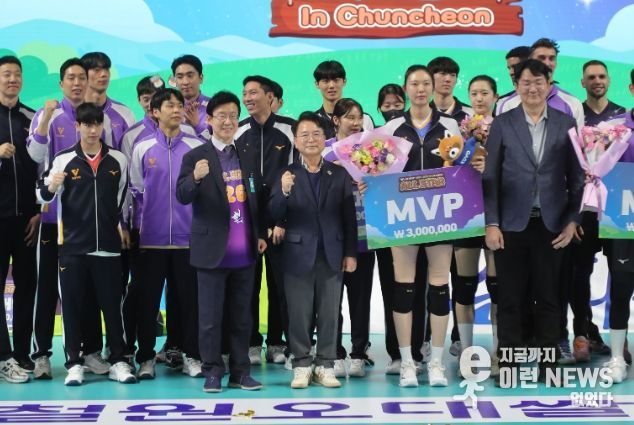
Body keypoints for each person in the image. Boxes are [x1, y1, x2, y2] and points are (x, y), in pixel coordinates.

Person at [483, 59, 584, 385]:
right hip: (511, 225)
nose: (532, 88)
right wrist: (492, 223)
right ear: (516, 86)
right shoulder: (503, 123)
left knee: (550, 298)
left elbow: (578, 178)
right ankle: (509, 366)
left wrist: (572, 221)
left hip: (552, 226)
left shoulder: (566, 122)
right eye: (526, 82)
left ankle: (549, 366)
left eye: (539, 82)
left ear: (549, 84)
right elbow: (490, 177)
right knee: (510, 299)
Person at [381, 64, 480, 387]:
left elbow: (464, 167)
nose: (421, 89)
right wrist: (368, 182)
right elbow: (379, 171)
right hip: (404, 217)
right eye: (415, 84)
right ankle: (407, 362)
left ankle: (436, 362)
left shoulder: (452, 125)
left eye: (426, 83)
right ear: (406, 88)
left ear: (432, 87)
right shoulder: (392, 128)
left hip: (440, 216)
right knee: (403, 290)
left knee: (439, 289)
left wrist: (477, 161)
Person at [38, 102, 135, 386]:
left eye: (97, 124)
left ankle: (118, 361)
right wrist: (52, 186)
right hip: (73, 248)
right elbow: (42, 195)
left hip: (108, 247)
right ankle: (74, 364)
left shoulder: (118, 160)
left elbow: (120, 199)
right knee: (71, 308)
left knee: (112, 308)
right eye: (87, 125)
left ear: (103, 126)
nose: (93, 130)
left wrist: (111, 227)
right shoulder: (63, 159)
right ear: (77, 126)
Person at [176, 90, 267, 393]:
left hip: (245, 251)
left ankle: (241, 371)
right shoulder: (195, 157)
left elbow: (255, 197)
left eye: (233, 116)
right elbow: (182, 195)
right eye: (222, 116)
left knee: (242, 318)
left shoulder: (247, 153)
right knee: (210, 319)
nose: (228, 121)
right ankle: (212, 371)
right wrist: (196, 178)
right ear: (210, 120)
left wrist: (260, 234)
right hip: (212, 251)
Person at [28, 58, 113, 379]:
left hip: (88, 225)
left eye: (81, 78)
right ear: (61, 83)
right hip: (54, 221)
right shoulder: (48, 114)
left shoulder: (97, 118)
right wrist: (45, 120)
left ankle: (90, 352)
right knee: (47, 289)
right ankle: (41, 354)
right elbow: (35, 156)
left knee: (87, 290)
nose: (77, 83)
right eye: (71, 78)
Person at [269, 111, 356, 389]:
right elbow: (273, 213)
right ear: (295, 141)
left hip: (332, 253)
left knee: (330, 312)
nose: (311, 139)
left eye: (316, 134)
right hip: (297, 254)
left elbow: (349, 217)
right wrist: (283, 191)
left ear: (325, 138)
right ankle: (302, 364)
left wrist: (350, 252)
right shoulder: (286, 174)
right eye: (304, 135)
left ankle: (326, 365)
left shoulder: (339, 174)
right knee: (299, 313)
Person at [129, 88, 205, 379]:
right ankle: (146, 358)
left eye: (179, 105)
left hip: (188, 240)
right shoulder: (142, 147)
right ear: (154, 112)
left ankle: (192, 355)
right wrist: (139, 230)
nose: (176, 110)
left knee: (190, 303)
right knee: (147, 303)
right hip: (152, 241)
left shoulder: (195, 145)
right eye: (169, 105)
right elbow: (136, 191)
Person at [568, 60, 627, 363]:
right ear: (582, 82)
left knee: (621, 274)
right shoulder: (575, 116)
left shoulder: (624, 116)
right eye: (591, 77)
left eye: (602, 76)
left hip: (616, 210)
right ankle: (583, 333)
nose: (597, 81)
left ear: (609, 80)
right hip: (586, 209)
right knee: (579, 273)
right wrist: (573, 213)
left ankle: (619, 335)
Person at [236, 75, 295, 365]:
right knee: (248, 285)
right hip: (247, 223)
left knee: (280, 285)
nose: (247, 98)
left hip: (280, 223)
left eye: (253, 93)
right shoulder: (238, 131)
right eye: (245, 93)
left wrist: (282, 220)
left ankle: (275, 342)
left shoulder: (290, 129)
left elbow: (297, 176)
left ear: (269, 97)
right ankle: (250, 342)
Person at [322, 98, 374, 378]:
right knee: (332, 299)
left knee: (360, 297)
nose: (355, 123)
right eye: (349, 117)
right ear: (336, 120)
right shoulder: (325, 150)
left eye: (358, 117)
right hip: (333, 237)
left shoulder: (374, 150)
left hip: (364, 234)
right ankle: (335, 352)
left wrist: (372, 184)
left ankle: (358, 352)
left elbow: (386, 187)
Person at [452, 75, 500, 375]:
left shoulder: (505, 128)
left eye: (484, 93)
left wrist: (489, 165)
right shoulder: (458, 131)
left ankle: (498, 352)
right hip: (466, 217)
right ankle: (467, 353)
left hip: (496, 216)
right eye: (474, 93)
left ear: (495, 96)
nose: (479, 98)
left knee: (498, 288)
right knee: (464, 287)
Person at [0, 55, 39, 383]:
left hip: (27, 220)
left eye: (17, 74)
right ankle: (3, 357)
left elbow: (44, 166)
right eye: (6, 74)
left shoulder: (32, 117)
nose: (12, 79)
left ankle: (23, 353)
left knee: (27, 287)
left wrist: (39, 211)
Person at [600, 69, 634, 383]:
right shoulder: (615, 129)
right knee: (621, 289)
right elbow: (598, 170)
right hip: (623, 225)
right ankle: (616, 359)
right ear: (632, 89)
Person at [496, 38, 584, 131]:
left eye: (552, 58)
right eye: (541, 58)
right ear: (530, 61)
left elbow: (578, 140)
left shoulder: (573, 103)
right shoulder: (508, 104)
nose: (547, 63)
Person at [80, 52, 135, 149]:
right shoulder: (69, 113)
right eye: (97, 70)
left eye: (106, 69)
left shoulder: (125, 113)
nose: (104, 74)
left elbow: (132, 152)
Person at [313, 60, 373, 139]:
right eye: (326, 81)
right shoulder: (312, 122)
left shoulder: (365, 119)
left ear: (344, 81)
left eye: (336, 80)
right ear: (317, 84)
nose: (331, 85)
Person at [171, 55, 210, 139]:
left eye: (190, 76)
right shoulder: (168, 110)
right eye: (180, 77)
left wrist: (197, 126)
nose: (185, 82)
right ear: (175, 81)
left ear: (201, 78)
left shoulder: (215, 107)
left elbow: (221, 143)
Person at [428, 56, 474, 124]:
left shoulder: (472, 113)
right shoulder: (422, 114)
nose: (448, 79)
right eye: (443, 74)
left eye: (452, 75)